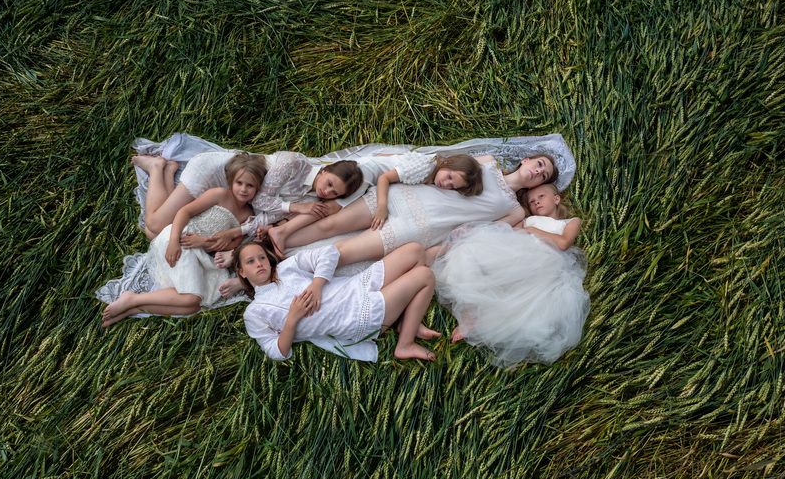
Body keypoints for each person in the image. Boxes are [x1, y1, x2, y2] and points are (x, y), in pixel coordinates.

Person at [285, 153, 560, 269]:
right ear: (526, 160)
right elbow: (443, 166)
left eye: (543, 174)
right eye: (539, 164)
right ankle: (275, 242)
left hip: (420, 228)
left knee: (344, 253)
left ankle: (280, 265)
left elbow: (481, 235)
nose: (538, 172)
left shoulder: (516, 211)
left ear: (541, 184)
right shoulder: (488, 162)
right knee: (330, 225)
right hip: (405, 197)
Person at [429, 183, 589, 366]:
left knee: (519, 300)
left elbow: (563, 243)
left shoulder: (569, 222)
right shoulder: (529, 220)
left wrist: (532, 230)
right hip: (517, 251)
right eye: (531, 201)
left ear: (556, 199)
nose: (536, 202)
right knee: (468, 253)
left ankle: (480, 319)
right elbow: (506, 233)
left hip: (546, 260)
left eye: (541, 197)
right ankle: (470, 311)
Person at [99, 153, 267, 327]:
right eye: (239, 183)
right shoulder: (219, 194)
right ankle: (133, 299)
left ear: (258, 187)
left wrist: (205, 242)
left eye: (250, 185)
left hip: (199, 250)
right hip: (181, 239)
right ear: (231, 180)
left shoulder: (248, 215)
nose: (243, 189)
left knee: (193, 307)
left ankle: (133, 309)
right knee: (192, 298)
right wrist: (173, 241)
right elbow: (184, 212)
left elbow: (231, 244)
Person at [235, 241, 441, 362]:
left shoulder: (285, 269)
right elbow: (276, 351)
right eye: (251, 262)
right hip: (355, 315)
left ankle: (407, 320)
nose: (259, 264)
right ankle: (405, 344)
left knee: (414, 250)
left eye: (262, 258)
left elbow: (329, 252)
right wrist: (292, 319)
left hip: (354, 286)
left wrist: (317, 284)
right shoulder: (254, 312)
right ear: (242, 272)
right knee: (424, 275)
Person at [265, 153, 484, 256]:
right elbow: (384, 178)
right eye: (449, 177)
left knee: (328, 208)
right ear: (448, 163)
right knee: (331, 208)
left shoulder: (434, 173)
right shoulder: (425, 167)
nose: (446, 184)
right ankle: (282, 231)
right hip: (367, 175)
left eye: (452, 186)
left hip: (370, 174)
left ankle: (281, 229)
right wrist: (381, 206)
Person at [131, 150, 363, 241]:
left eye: (334, 193)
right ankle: (157, 168)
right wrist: (295, 208)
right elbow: (258, 200)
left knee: (154, 235)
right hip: (222, 174)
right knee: (156, 224)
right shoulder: (292, 163)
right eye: (329, 183)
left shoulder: (311, 199)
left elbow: (267, 217)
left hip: (236, 195)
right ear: (325, 170)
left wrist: (239, 231)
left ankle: (169, 173)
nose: (326, 192)